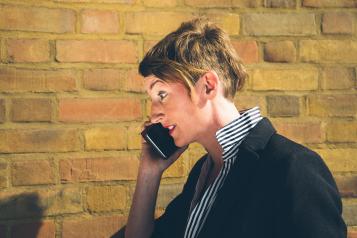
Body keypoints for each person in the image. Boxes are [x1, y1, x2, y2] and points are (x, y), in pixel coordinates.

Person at [123, 18, 347, 238]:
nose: (154, 113)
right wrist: (150, 173)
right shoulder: (204, 172)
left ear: (208, 86)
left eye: (162, 94)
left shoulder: (294, 167)